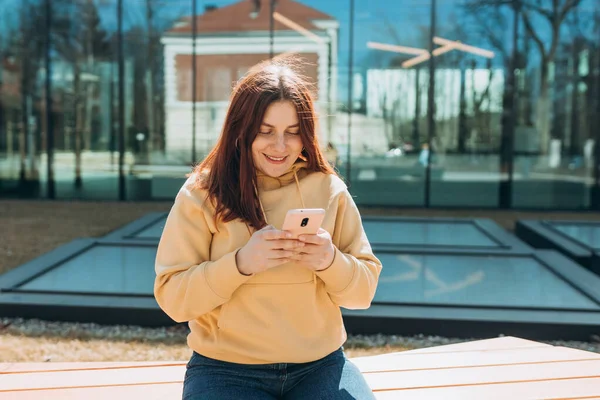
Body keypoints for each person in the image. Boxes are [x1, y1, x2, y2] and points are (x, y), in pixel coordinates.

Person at [154, 56, 382, 400]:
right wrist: (241, 264)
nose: (280, 146)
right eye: (265, 132)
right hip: (224, 368)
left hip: (319, 366)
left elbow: (363, 293)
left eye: (293, 133)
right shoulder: (202, 193)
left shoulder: (328, 188)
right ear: (240, 130)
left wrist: (329, 261)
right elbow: (173, 299)